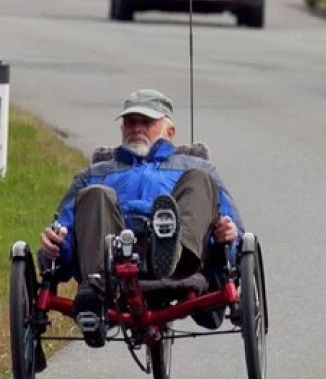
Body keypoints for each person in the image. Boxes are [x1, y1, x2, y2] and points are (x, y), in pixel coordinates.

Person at [39, 88, 244, 345]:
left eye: (146, 122)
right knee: (95, 193)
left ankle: (174, 252)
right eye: (130, 122)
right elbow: (65, 228)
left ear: (170, 130)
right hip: (112, 256)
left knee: (199, 181)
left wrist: (228, 235)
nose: (136, 128)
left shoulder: (196, 168)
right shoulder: (95, 173)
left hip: (181, 258)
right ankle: (95, 287)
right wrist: (54, 246)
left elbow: (233, 231)